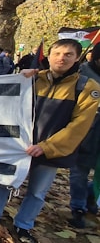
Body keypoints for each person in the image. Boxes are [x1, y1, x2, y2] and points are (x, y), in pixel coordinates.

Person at [0, 39, 100, 243]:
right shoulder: (32, 79)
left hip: (50, 150)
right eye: (57, 53)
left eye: (68, 54)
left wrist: (47, 147)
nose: (62, 58)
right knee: (2, 181)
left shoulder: (86, 87)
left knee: (38, 191)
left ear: (77, 58)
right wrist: (19, 78)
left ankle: (24, 225)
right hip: (19, 145)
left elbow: (80, 125)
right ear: (48, 56)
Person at [68, 44, 100, 228]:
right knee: (79, 171)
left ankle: (91, 195)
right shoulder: (81, 77)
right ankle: (78, 207)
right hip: (85, 132)